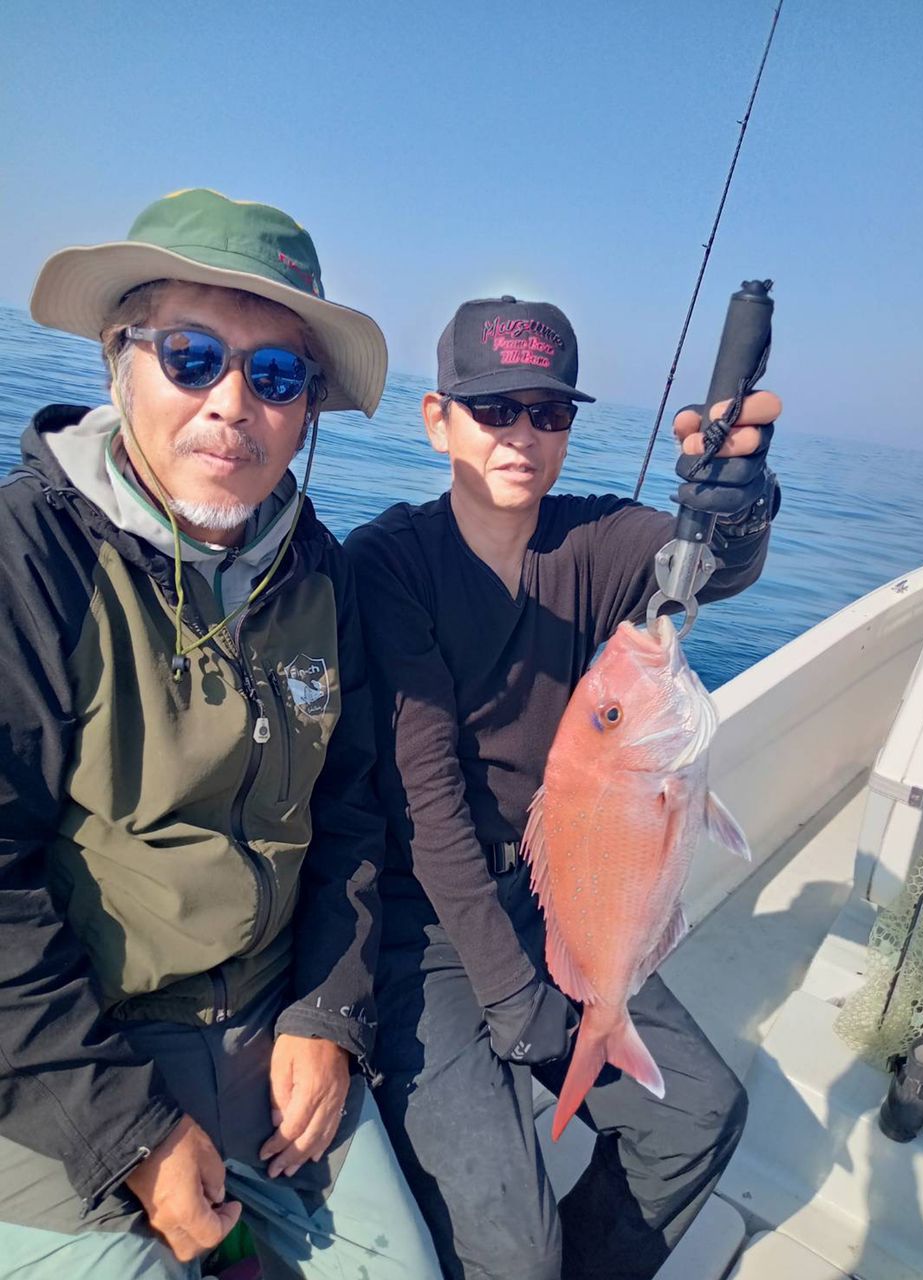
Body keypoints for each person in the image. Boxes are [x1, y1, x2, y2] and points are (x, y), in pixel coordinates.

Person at [0, 188, 441, 1279]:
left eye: (276, 375)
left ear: (307, 410)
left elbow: (348, 813)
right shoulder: (29, 560)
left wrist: (330, 1010)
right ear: (121, 360)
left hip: (266, 1028)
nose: (232, 403)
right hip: (62, 1066)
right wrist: (130, 1134)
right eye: (192, 355)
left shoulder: (322, 574)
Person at [345, 294, 782, 1280]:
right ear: (436, 418)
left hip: (560, 896)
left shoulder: (595, 541)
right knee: (511, 1240)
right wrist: (512, 995)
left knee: (703, 1112)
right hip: (425, 926)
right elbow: (428, 805)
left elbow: (704, 560)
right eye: (493, 409)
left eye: (548, 412)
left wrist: (739, 500)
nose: (522, 435)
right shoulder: (390, 564)